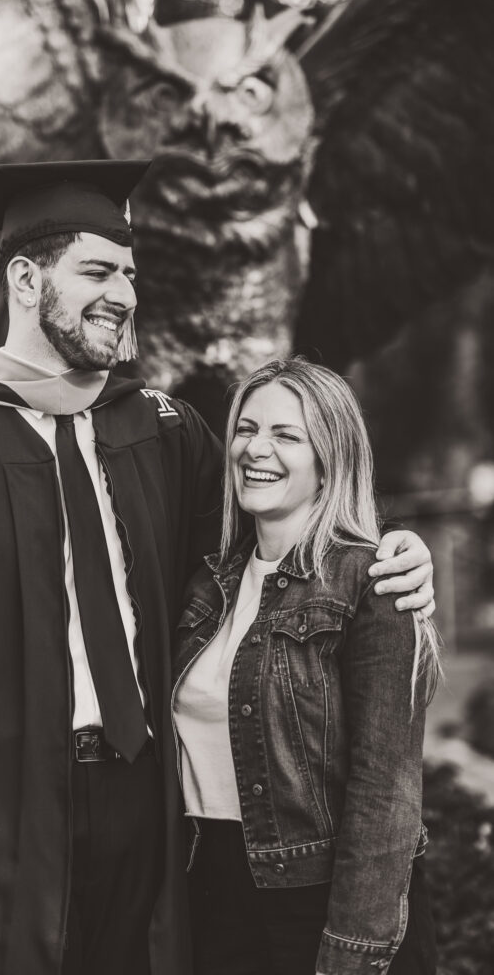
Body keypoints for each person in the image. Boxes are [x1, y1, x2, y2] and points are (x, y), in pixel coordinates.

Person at [0, 161, 435, 975]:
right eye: (97, 271)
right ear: (23, 277)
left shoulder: (162, 431)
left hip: (152, 801)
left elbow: (270, 541)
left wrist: (394, 551)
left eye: (130, 273)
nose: (124, 292)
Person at [173, 358, 440, 975]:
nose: (255, 449)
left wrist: (355, 950)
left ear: (331, 458)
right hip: (213, 896)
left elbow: (386, 793)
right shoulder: (207, 585)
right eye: (246, 428)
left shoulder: (373, 582)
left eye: (287, 435)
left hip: (329, 904)